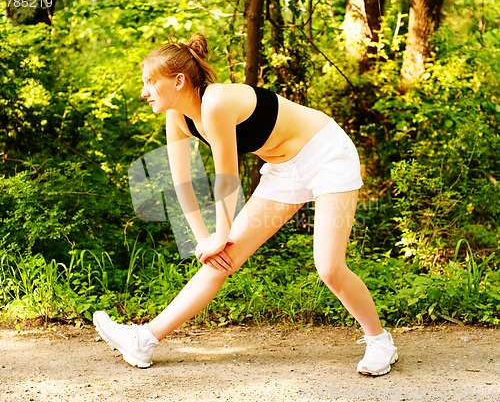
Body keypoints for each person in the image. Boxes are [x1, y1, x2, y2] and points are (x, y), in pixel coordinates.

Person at [93, 33, 398, 376]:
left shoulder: (216, 103)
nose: (143, 91)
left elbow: (227, 177)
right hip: (285, 170)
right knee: (220, 261)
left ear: (178, 80)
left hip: (325, 155)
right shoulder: (177, 116)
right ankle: (143, 340)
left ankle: (380, 341)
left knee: (328, 267)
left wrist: (220, 234)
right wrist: (204, 240)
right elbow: (183, 183)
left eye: (150, 82)